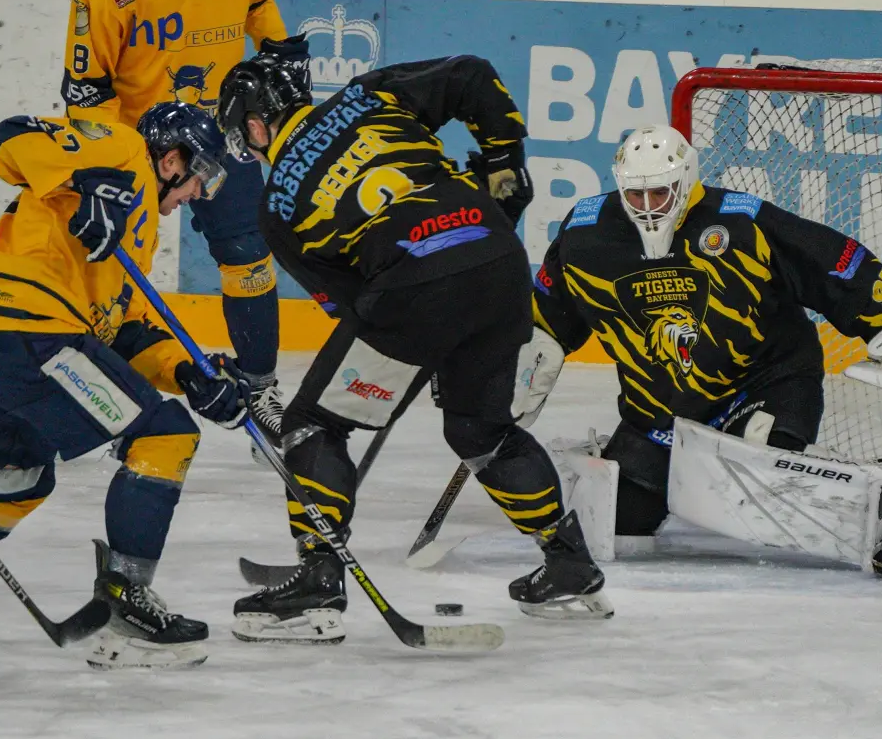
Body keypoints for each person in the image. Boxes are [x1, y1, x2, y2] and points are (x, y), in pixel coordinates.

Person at [214, 51, 614, 645]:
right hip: (501, 262)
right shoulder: (365, 96)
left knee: (311, 424)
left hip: (414, 285)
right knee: (481, 431)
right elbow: (473, 75)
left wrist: (420, 341)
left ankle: (319, 578)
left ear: (254, 124)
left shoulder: (276, 207)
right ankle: (569, 563)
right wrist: (505, 161)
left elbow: (350, 306)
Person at [0, 102, 249, 671]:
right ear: (172, 159)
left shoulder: (135, 240)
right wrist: (88, 181)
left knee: (14, 483)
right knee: (163, 437)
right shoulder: (121, 153)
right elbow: (10, 136)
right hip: (30, 330)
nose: (200, 193)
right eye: (204, 176)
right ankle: (126, 608)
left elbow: (119, 335)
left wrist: (189, 374)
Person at [513, 125, 882, 580]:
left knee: (765, 464)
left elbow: (835, 261)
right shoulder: (586, 234)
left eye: (662, 193)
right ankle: (638, 462)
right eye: (639, 195)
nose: (650, 207)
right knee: (615, 526)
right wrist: (527, 361)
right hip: (659, 410)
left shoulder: (740, 220)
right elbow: (551, 309)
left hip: (768, 379)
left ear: (687, 180)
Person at [62, 0, 295, 449]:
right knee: (109, 274)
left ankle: (259, 384)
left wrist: (280, 74)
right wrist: (107, 169)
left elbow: (270, 31)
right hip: (136, 141)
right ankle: (105, 397)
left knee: (248, 253)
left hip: (219, 128)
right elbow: (87, 90)